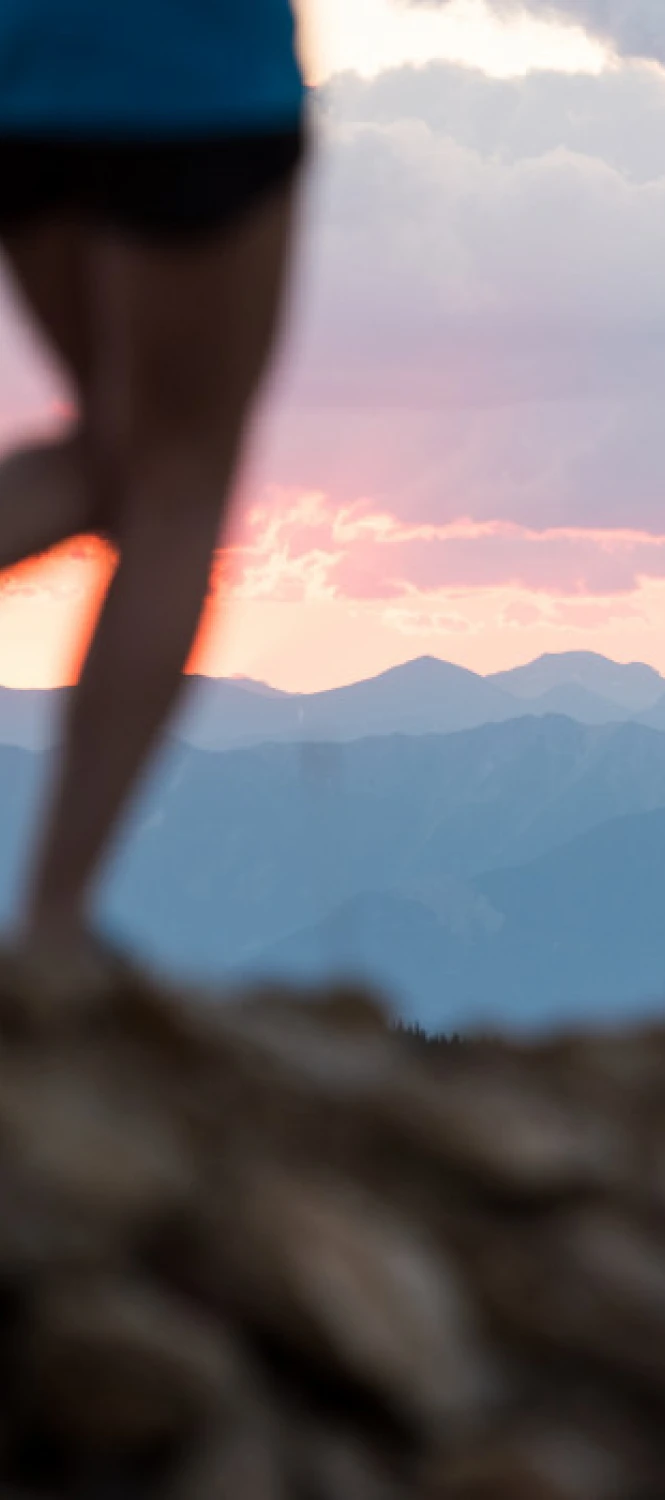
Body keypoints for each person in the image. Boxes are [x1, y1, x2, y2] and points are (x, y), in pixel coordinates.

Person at [0, 0, 307, 952]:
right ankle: (55, 930)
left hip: (22, 63)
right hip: (190, 72)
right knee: (177, 485)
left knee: (121, 459)